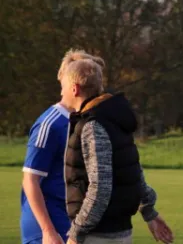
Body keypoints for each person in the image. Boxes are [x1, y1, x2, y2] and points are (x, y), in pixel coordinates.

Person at [60, 58, 174, 244]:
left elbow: (100, 187)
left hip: (96, 236)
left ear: (75, 89)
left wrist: (76, 233)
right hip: (121, 232)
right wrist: (149, 211)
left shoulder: (93, 125)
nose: (61, 92)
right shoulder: (115, 118)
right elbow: (131, 171)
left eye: (62, 86)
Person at [20, 49, 104, 244]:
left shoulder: (90, 123)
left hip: (74, 222)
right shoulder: (50, 124)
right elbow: (30, 180)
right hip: (48, 226)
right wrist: (47, 231)